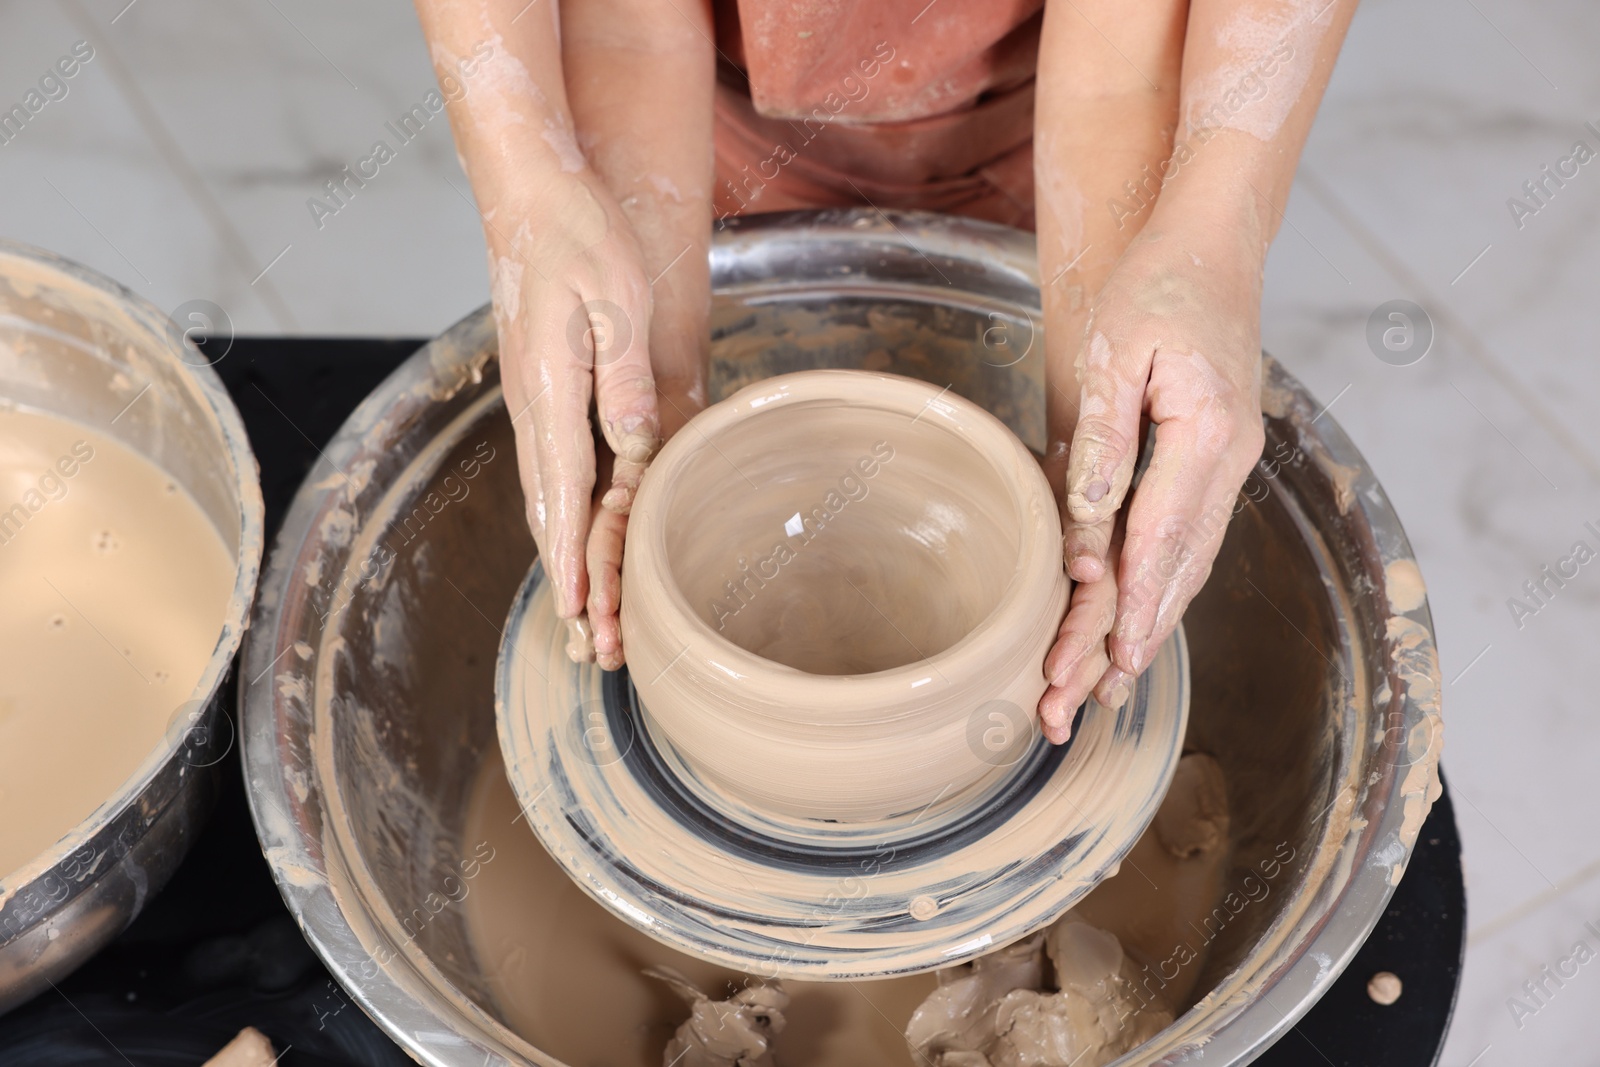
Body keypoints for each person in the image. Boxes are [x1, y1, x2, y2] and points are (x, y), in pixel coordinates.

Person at [414, 0, 1355, 743]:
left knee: (1091, 495)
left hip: (1062, 117)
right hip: (703, 102)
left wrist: (1193, 262)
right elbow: (630, 29)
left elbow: (1117, 69)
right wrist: (639, 365)